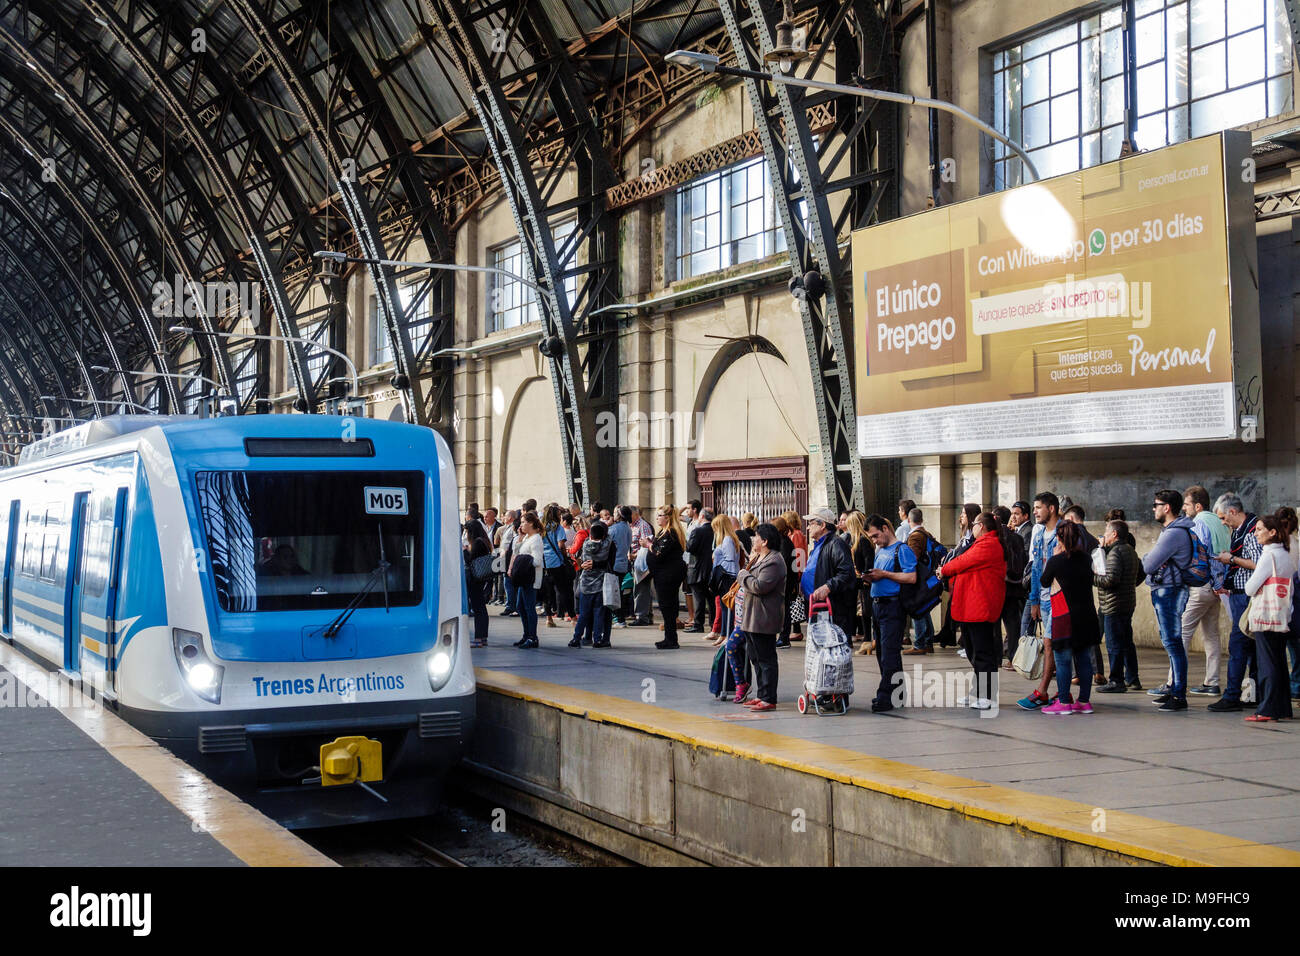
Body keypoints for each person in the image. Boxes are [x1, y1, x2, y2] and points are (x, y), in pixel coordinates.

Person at [935, 512, 1006, 708]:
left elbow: (961, 562)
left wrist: (945, 570)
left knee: (983, 653)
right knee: (974, 651)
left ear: (981, 526)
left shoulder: (989, 544)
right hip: (971, 607)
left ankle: (988, 696)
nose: (972, 527)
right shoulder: (979, 543)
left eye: (974, 524)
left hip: (980, 608)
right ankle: (977, 692)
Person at [1140, 489, 1198, 712]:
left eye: (1156, 505)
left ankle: (1179, 694)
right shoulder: (1172, 531)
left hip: (1170, 591)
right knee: (1170, 641)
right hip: (1168, 589)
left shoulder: (1174, 533)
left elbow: (1148, 564)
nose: (1153, 509)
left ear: (1167, 507)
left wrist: (1149, 558)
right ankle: (1175, 689)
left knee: (1173, 642)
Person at [1038, 521, 1102, 715]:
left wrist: (1054, 557)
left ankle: (1064, 702)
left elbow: (1044, 581)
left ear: (1058, 538)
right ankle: (1084, 701)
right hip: (1087, 615)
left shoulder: (1056, 561)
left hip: (1064, 616)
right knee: (1083, 658)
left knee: (1064, 660)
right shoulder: (1086, 559)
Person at [1208, 494, 1262, 713]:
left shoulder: (1251, 531)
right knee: (1252, 649)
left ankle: (1231, 695)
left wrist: (1230, 559)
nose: (1222, 522)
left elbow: (1258, 563)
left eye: (1222, 517)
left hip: (1246, 595)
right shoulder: (1241, 530)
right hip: (1240, 593)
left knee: (1238, 645)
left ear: (1232, 511)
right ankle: (1256, 693)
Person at [1243, 515, 1295, 722]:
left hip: (1266, 615)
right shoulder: (1286, 554)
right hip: (1282, 614)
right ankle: (1282, 707)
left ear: (1272, 532)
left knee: (1267, 664)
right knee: (1279, 662)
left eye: (1259, 529)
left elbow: (1250, 588)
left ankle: (1267, 709)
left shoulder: (1268, 556)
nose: (1256, 533)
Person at [1180, 485, 1230, 695]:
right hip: (1218, 587)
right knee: (1211, 635)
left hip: (1201, 585)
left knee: (1181, 633)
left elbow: (1197, 554)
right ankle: (1212, 682)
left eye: (1186, 504)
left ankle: (1175, 682)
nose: (1184, 509)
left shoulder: (1198, 523)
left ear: (1198, 506)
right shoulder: (1219, 523)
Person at [865, 514, 917, 713]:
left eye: (876, 535)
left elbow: (911, 577)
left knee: (889, 653)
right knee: (882, 652)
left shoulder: (902, 550)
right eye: (872, 538)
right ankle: (897, 692)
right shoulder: (880, 550)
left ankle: (885, 695)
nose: (875, 540)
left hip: (892, 605)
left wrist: (884, 574)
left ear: (885, 529)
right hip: (878, 604)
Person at [1018, 492, 1061, 711]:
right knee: (1051, 643)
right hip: (1043, 598)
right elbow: (1035, 569)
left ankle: (1043, 691)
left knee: (1051, 643)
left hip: (1058, 598)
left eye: (1038, 508)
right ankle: (1056, 692)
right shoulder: (1039, 534)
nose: (1035, 512)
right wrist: (1034, 600)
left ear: (1051, 508)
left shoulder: (1063, 532)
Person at [736, 523, 787, 712]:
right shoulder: (759, 558)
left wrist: (743, 576)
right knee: (755, 657)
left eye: (756, 537)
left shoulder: (774, 561)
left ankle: (769, 697)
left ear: (765, 541)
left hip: (764, 617)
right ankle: (761, 694)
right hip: (752, 616)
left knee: (766, 659)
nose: (753, 539)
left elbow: (759, 586)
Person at [1094, 519, 1142, 692]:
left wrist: (1093, 577)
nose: (1104, 535)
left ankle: (1116, 680)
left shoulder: (1115, 553)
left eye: (1106, 532)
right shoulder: (1129, 550)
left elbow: (1110, 579)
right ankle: (1132, 678)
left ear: (1114, 534)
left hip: (1112, 605)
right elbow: (1140, 574)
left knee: (1114, 644)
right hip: (1127, 603)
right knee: (1127, 642)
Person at [802, 508, 857, 635]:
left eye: (811, 523)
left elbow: (846, 573)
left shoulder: (836, 544)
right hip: (816, 607)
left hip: (831, 608)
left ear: (822, 525)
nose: (808, 528)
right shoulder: (818, 546)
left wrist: (828, 586)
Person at [644, 505, 688, 649]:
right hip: (663, 573)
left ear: (667, 518)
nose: (657, 518)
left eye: (660, 515)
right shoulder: (664, 532)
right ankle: (669, 637)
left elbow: (659, 553)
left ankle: (671, 639)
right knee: (668, 606)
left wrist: (648, 544)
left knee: (667, 606)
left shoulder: (670, 533)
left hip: (668, 574)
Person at [901, 508, 940, 654]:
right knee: (924, 609)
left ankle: (920, 644)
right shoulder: (925, 533)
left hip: (918, 578)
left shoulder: (915, 536)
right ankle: (928, 642)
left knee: (917, 608)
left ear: (909, 520)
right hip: (927, 577)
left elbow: (912, 558)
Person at [570, 520, 614, 648]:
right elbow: (608, 539)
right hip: (600, 585)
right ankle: (597, 639)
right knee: (599, 613)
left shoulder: (586, 544)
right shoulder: (606, 545)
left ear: (590, 535)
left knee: (583, 614)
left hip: (585, 584)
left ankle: (576, 638)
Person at [993, 505, 1027, 668]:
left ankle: (997, 655)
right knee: (1013, 624)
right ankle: (1013, 656)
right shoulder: (1017, 537)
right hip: (1015, 587)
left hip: (999, 587)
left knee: (995, 624)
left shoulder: (996, 537)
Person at [1275, 506, 1300, 701]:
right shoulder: (1296, 544)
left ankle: (1291, 686)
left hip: (1283, 599)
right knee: (1295, 646)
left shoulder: (1280, 547)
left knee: (1283, 647)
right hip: (1295, 598)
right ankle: (1296, 684)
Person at [510, 512, 545, 648]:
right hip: (523, 578)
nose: (521, 524)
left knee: (529, 607)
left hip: (530, 578)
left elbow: (537, 560)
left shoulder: (536, 539)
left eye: (524, 522)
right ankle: (526, 634)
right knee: (520, 606)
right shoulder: (526, 538)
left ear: (531, 523)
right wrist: (519, 538)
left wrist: (523, 561)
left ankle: (532, 637)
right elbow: (517, 552)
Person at [710, 514, 744, 643]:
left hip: (727, 576)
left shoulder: (728, 540)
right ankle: (724, 634)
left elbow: (729, 560)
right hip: (728, 575)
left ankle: (727, 634)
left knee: (727, 607)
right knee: (724, 606)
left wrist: (718, 567)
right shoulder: (728, 539)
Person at [844, 512, 875, 651]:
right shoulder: (858, 540)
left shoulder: (863, 540)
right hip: (859, 580)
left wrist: (865, 576)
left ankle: (868, 640)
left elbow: (869, 560)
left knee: (865, 611)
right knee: (861, 611)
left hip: (863, 581)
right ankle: (867, 640)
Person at [463, 519, 493, 647]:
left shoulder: (477, 543)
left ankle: (479, 638)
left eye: (467, 532)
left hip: (475, 579)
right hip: (480, 578)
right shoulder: (483, 541)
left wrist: (465, 551)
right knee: (480, 607)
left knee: (478, 608)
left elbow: (470, 560)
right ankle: (483, 637)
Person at [685, 507, 715, 633]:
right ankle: (713, 623)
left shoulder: (698, 531)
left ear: (702, 516)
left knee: (698, 598)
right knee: (710, 597)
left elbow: (690, 548)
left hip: (697, 568)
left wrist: (686, 541)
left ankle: (698, 624)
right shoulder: (715, 530)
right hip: (710, 568)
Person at [772, 515, 798, 647]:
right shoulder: (784, 541)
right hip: (787, 581)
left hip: (785, 583)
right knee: (783, 609)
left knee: (784, 610)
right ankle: (783, 636)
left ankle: (784, 637)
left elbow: (785, 564)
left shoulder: (784, 543)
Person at [628, 506, 655, 626]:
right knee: (641, 589)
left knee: (641, 589)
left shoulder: (643, 525)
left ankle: (642, 616)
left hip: (641, 562)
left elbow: (647, 545)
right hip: (635, 561)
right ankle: (646, 615)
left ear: (635, 514)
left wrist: (635, 555)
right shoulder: (632, 526)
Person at [498, 510, 520, 617]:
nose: (503, 518)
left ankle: (511, 605)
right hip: (504, 557)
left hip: (509, 557)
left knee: (508, 582)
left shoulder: (513, 528)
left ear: (511, 517)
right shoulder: (507, 527)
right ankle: (510, 605)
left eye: (505, 516)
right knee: (506, 582)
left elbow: (513, 543)